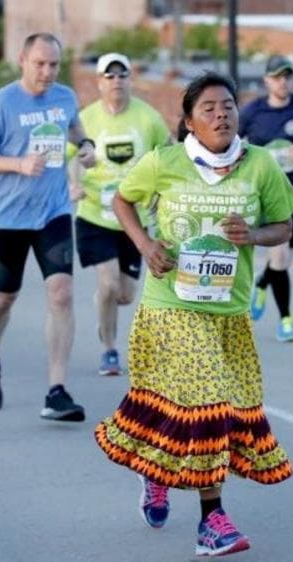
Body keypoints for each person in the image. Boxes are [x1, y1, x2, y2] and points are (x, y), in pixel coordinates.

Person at [95, 71, 293, 557]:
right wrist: (145, 245)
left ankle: (155, 469)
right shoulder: (164, 162)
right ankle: (212, 522)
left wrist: (252, 235)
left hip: (227, 310)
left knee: (188, 406)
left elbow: (283, 226)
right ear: (189, 121)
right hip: (171, 305)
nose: (221, 114)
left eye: (228, 105)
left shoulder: (260, 165)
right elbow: (123, 200)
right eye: (208, 108)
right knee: (210, 403)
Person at [0, 32, 96, 421]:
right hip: (9, 216)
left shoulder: (64, 97)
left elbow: (74, 126)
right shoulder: (1, 104)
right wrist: (17, 164)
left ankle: (57, 391)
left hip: (53, 212)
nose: (47, 72)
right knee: (4, 297)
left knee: (61, 293)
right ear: (22, 61)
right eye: (40, 64)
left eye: (54, 64)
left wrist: (86, 145)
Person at [68, 52, 171, 376]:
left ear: (130, 80)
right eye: (109, 76)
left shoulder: (148, 118)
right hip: (95, 215)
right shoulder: (85, 120)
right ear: (99, 82)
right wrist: (71, 185)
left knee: (124, 295)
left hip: (134, 220)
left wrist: (163, 193)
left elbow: (170, 155)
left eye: (122, 75)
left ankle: (105, 305)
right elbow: (61, 156)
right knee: (109, 282)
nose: (116, 81)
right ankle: (109, 349)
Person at [238, 54, 293, 342]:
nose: (283, 82)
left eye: (287, 76)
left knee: (284, 259)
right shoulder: (252, 112)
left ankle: (262, 283)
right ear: (267, 80)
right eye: (277, 77)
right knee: (279, 254)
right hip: (264, 192)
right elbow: (232, 143)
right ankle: (286, 319)